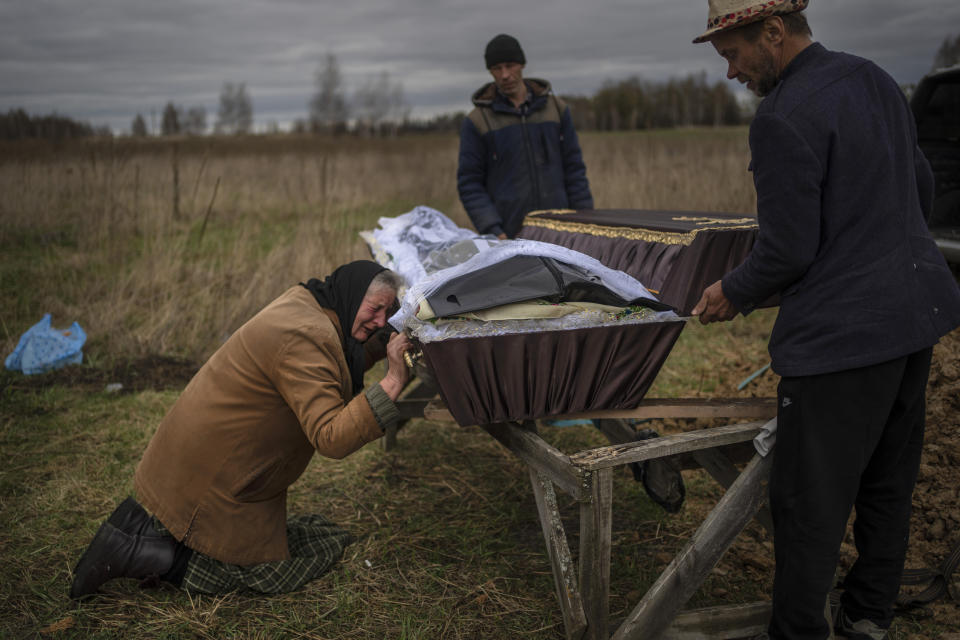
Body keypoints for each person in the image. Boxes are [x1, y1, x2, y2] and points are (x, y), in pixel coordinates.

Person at [690, 1, 960, 638]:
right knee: (887, 483)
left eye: (733, 54)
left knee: (808, 506)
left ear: (775, 33)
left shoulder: (781, 118)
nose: (730, 73)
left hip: (843, 345)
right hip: (913, 322)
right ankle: (868, 616)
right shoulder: (874, 79)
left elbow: (787, 251)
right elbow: (918, 189)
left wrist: (732, 290)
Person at [70, 261, 412, 598]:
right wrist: (393, 380)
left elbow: (335, 362)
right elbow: (331, 438)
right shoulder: (308, 337)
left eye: (388, 312)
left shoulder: (307, 303)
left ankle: (140, 531)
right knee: (275, 569)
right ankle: (144, 554)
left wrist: (383, 343)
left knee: (314, 536)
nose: (380, 320)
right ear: (353, 295)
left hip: (194, 464)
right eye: (375, 308)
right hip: (214, 480)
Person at [457, 33, 594, 239]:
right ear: (490, 72)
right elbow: (469, 183)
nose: (505, 75)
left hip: (562, 231)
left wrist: (586, 221)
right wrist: (494, 230)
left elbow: (574, 169)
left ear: (522, 64)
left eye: (510, 65)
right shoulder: (478, 121)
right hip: (511, 236)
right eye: (497, 68)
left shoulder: (556, 109)